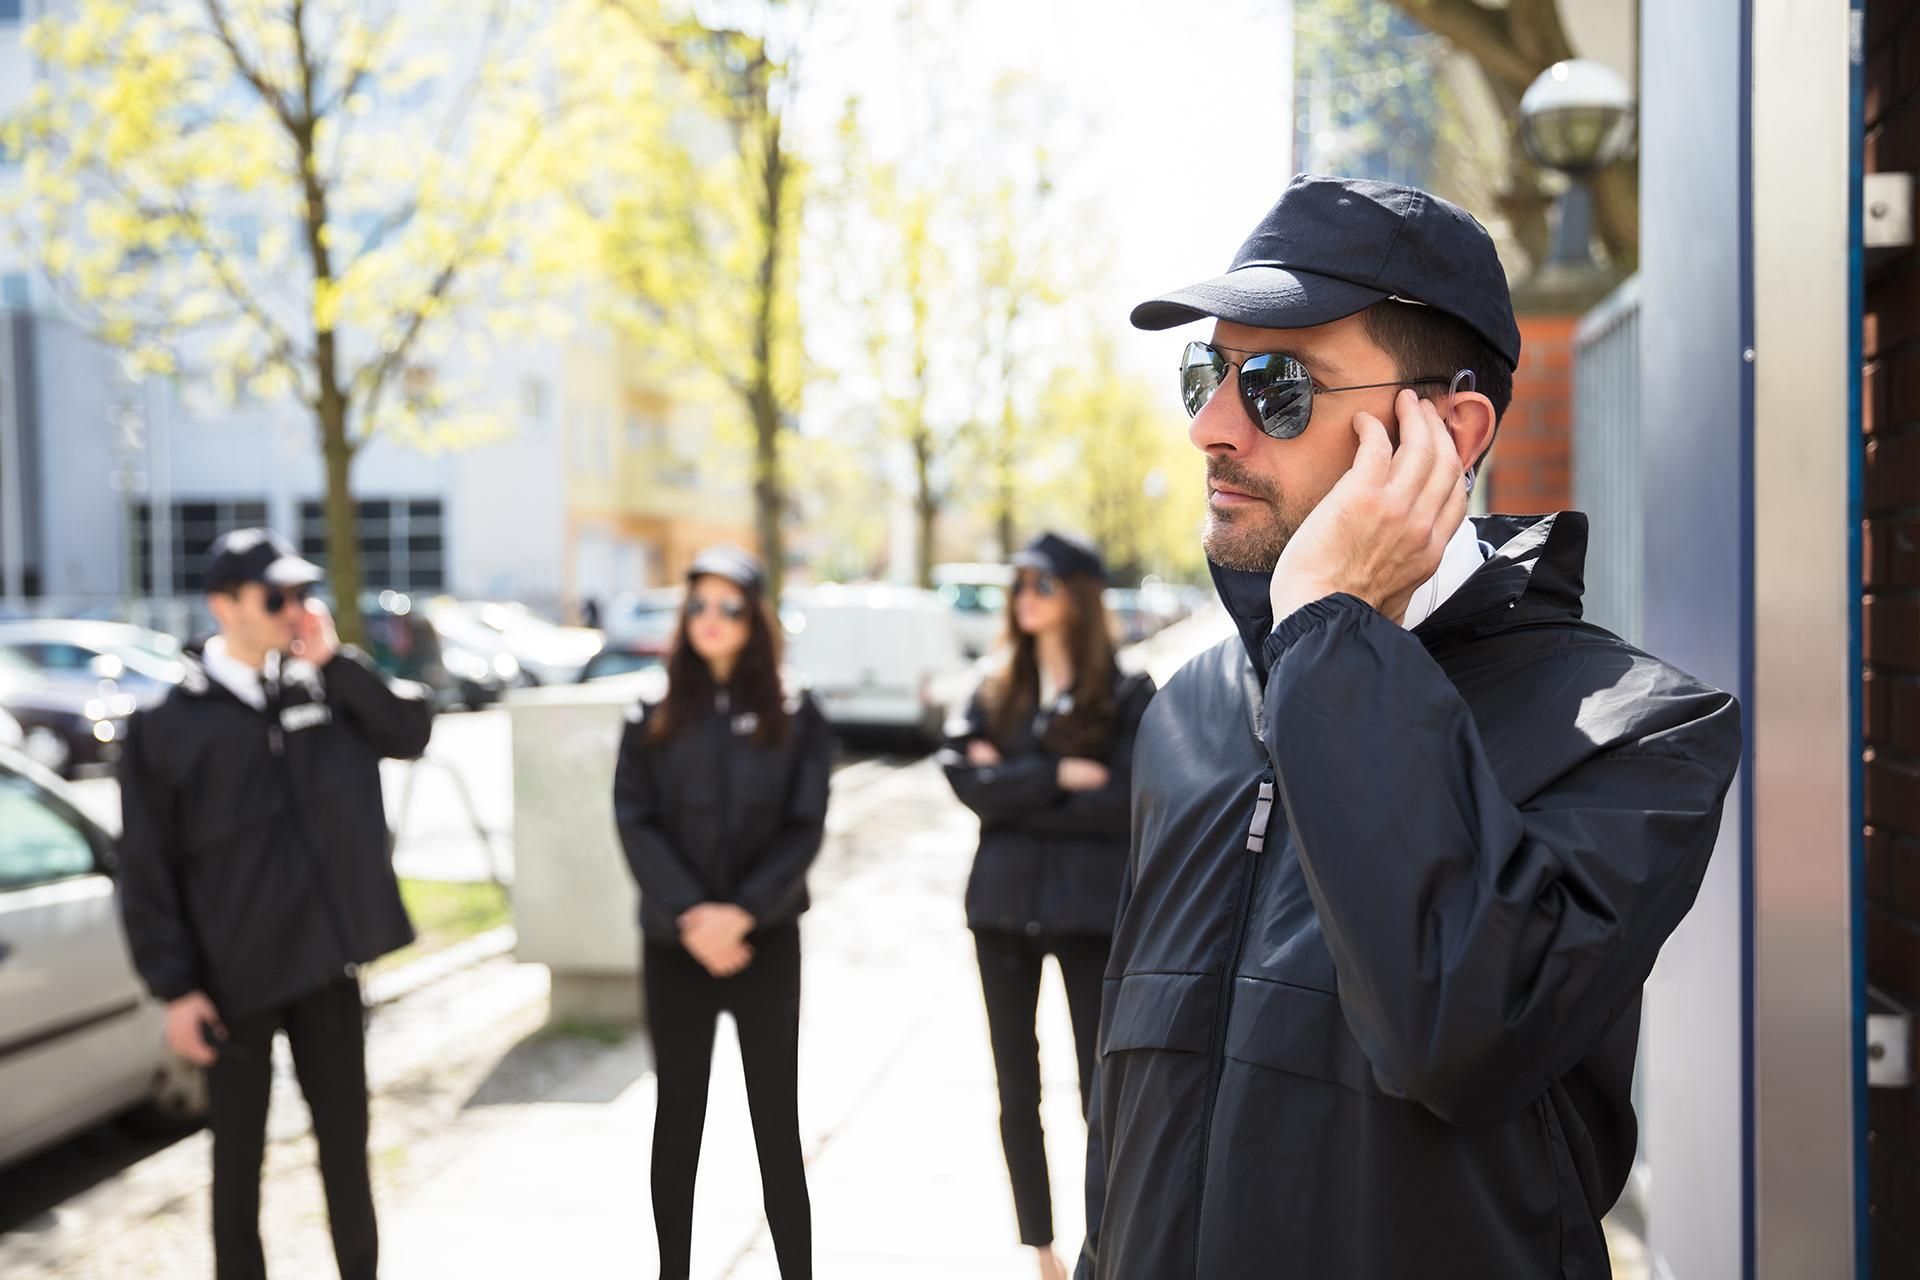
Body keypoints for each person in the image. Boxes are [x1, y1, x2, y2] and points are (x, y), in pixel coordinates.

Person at [1075, 175, 1744, 1279]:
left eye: (1277, 385)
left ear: (1450, 428)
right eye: (1206, 372)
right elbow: (1128, 1100)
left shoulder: (1639, 734)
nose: (1209, 426)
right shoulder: (1188, 708)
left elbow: (1460, 1033)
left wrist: (1334, 633)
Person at [118, 528, 434, 1280]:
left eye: (301, 593)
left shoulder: (322, 686)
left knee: (347, 1154)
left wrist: (334, 660)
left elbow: (409, 732)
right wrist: (175, 988)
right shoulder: (167, 728)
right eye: (276, 596)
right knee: (238, 1166)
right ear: (224, 606)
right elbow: (146, 868)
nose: (296, 608)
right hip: (233, 982)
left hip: (326, 967)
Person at [612, 545, 832, 1280]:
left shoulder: (797, 712)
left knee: (776, 1121)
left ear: (755, 617)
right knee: (678, 1117)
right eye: (698, 604)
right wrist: (691, 917)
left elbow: (805, 826)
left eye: (729, 605)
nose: (712, 619)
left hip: (764, 943)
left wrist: (739, 914)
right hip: (675, 947)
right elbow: (634, 819)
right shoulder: (649, 711)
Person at [940, 532, 1155, 1280]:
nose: (1025, 595)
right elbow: (964, 782)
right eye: (1019, 583)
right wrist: (1060, 775)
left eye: (1042, 583)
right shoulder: (994, 688)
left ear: (1080, 596)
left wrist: (1015, 791)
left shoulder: (1129, 695)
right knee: (1015, 1082)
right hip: (999, 912)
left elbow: (1128, 799)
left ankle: (1109, 1236)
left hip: (1089, 914)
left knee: (1101, 1084)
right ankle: (1041, 1247)